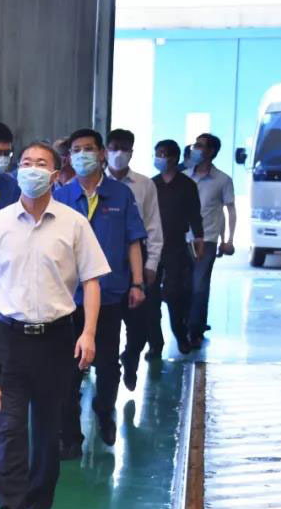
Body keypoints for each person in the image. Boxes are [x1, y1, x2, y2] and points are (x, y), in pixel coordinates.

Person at [0, 141, 110, 509]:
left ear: (54, 175)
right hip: (8, 337)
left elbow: (92, 281)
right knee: (10, 427)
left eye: (41, 164)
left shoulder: (74, 224)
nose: (32, 169)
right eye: (26, 162)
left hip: (56, 338)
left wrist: (88, 333)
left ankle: (39, 507)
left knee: (47, 429)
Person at [53, 128, 147, 453]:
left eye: (88, 149)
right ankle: (70, 435)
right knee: (68, 369)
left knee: (107, 363)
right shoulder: (61, 197)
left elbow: (133, 241)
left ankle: (105, 412)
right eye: (76, 150)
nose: (83, 155)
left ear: (102, 153)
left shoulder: (121, 195)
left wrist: (137, 282)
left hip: (109, 294)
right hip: (68, 299)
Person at [105, 129, 164, 390]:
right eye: (114, 147)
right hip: (105, 265)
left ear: (131, 151)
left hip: (136, 265)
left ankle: (130, 358)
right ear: (105, 150)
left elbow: (153, 226)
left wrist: (151, 264)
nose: (119, 153)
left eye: (124, 148)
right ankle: (108, 372)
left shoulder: (144, 185)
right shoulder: (96, 183)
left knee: (139, 326)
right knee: (106, 326)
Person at [153, 139, 205, 353]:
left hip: (176, 245)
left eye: (164, 154)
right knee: (151, 297)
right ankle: (155, 343)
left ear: (174, 158)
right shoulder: (152, 184)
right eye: (157, 154)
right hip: (153, 245)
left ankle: (180, 335)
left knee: (175, 294)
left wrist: (199, 239)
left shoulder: (187, 185)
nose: (160, 158)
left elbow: (195, 214)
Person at [186, 133, 236, 348]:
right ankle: (185, 324)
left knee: (199, 285)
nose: (195, 149)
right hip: (182, 239)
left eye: (200, 146)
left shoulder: (222, 180)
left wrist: (228, 239)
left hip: (207, 240)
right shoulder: (184, 177)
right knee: (181, 286)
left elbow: (229, 210)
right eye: (195, 145)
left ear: (211, 151)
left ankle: (195, 329)